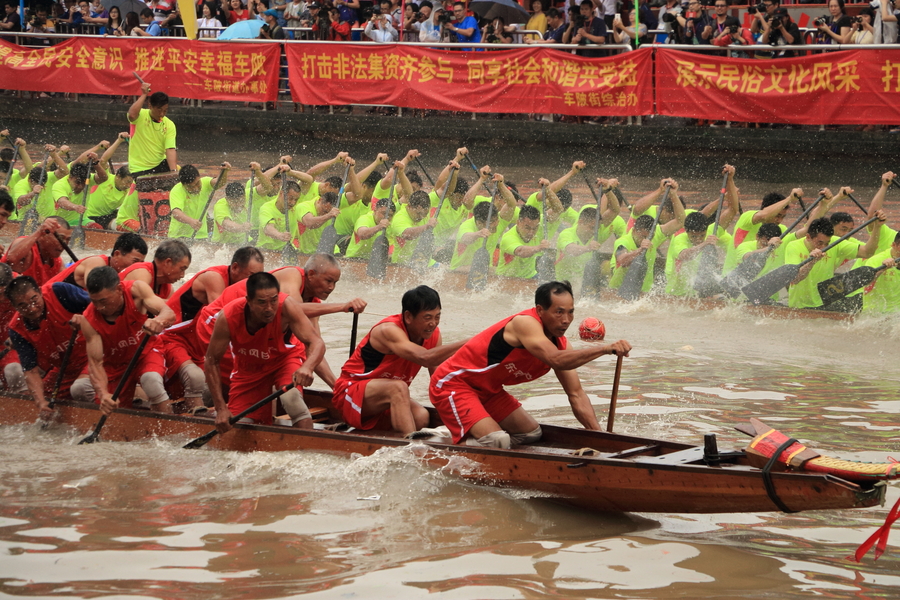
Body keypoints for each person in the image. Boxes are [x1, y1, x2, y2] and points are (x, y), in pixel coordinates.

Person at [430, 281, 631, 448]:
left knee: (531, 434)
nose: (566, 320)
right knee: (497, 440)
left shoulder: (561, 344)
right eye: (559, 312)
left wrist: (600, 439)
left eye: (570, 312)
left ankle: (466, 432)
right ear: (540, 310)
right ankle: (445, 446)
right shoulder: (524, 323)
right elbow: (555, 360)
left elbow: (576, 393)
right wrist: (604, 349)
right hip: (454, 384)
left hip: (489, 391)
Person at [332, 285, 464, 437]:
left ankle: (392, 443)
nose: (433, 323)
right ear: (408, 317)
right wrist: (470, 342)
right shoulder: (388, 330)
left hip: (384, 399)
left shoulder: (433, 335)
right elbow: (424, 357)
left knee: (421, 416)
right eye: (427, 317)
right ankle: (411, 450)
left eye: (437, 317)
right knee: (398, 388)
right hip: (349, 394)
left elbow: (440, 381)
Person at [205, 272, 325, 432]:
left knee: (292, 398)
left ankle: (306, 448)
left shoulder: (287, 305)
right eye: (262, 303)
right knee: (240, 428)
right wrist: (220, 408)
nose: (269, 309)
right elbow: (211, 361)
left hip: (284, 361)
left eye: (273, 301)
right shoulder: (227, 316)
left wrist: (307, 367)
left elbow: (316, 342)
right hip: (249, 370)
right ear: (248, 301)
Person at [160, 246, 264, 413]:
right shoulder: (214, 278)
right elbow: (225, 317)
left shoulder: (242, 287)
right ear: (235, 267)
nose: (254, 283)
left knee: (223, 380)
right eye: (251, 276)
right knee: (195, 378)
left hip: (197, 345)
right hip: (174, 339)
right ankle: (194, 424)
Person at [71, 266, 176, 413]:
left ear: (119, 289)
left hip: (146, 353)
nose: (99, 307)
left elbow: (169, 313)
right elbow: (95, 364)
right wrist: (103, 394)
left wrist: (159, 321)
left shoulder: (137, 290)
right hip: (115, 364)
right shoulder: (89, 319)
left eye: (103, 301)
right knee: (110, 407)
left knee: (151, 380)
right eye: (94, 301)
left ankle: (167, 429)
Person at [6, 276, 90, 416]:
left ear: (40, 291)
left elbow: (101, 306)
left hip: (95, 358)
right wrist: (41, 403)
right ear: (15, 307)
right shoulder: (16, 329)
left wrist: (86, 317)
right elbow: (31, 371)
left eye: (34, 300)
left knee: (80, 388)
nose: (32, 308)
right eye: (23, 306)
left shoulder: (59, 291)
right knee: (40, 398)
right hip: (65, 369)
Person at [784, 214, 885, 309]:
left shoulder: (835, 242)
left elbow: (867, 253)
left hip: (825, 302)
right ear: (808, 237)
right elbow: (795, 279)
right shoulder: (793, 246)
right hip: (799, 305)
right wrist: (812, 262)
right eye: (820, 243)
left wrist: (877, 227)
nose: (823, 247)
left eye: (826, 243)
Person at [49, 231, 147, 288]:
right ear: (117, 254)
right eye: (135, 261)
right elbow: (96, 292)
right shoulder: (97, 263)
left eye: (141, 263)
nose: (137, 267)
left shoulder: (120, 273)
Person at [167, 163, 231, 240]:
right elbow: (176, 213)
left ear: (199, 177)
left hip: (201, 235)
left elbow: (219, 182)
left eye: (197, 183)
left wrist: (224, 171)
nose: (196, 188)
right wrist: (191, 221)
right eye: (191, 187)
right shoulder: (177, 191)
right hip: (178, 236)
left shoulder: (205, 182)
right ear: (183, 185)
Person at [84, 133, 135, 229]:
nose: (129, 185)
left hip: (109, 215)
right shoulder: (105, 178)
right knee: (117, 225)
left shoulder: (129, 189)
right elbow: (103, 160)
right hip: (92, 216)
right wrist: (119, 141)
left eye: (130, 183)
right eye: (127, 181)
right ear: (118, 176)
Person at [2, 217, 71, 286]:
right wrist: (39, 231)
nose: (64, 244)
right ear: (44, 235)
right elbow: (12, 258)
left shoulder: (57, 262)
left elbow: (68, 284)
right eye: (61, 238)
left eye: (68, 239)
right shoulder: (27, 247)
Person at [127, 81, 176, 177]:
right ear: (150, 106)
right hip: (138, 168)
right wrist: (144, 95)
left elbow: (170, 149)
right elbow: (131, 115)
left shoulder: (169, 124)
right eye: (159, 110)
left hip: (159, 165)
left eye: (165, 110)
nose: (162, 114)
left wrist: (174, 172)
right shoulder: (140, 115)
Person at [12, 144, 69, 225]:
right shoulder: (21, 185)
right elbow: (21, 201)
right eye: (34, 184)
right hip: (26, 222)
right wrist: (32, 193)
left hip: (48, 221)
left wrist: (54, 155)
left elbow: (65, 172)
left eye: (43, 185)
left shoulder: (48, 177)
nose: (41, 187)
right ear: (29, 180)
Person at [119, 238, 191, 299]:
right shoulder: (142, 272)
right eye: (182, 269)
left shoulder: (168, 289)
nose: (182, 275)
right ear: (168, 262)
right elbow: (146, 301)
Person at [388, 191, 437, 264]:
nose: (421, 217)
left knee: (444, 270)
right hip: (400, 264)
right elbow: (408, 234)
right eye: (418, 213)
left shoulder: (424, 209)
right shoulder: (399, 218)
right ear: (409, 206)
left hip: (421, 261)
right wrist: (427, 226)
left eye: (425, 214)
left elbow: (444, 190)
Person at [862, 230, 900, 314]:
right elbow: (865, 282)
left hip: (896, 314)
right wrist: (883, 269)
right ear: (893, 245)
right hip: (875, 313)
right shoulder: (876, 260)